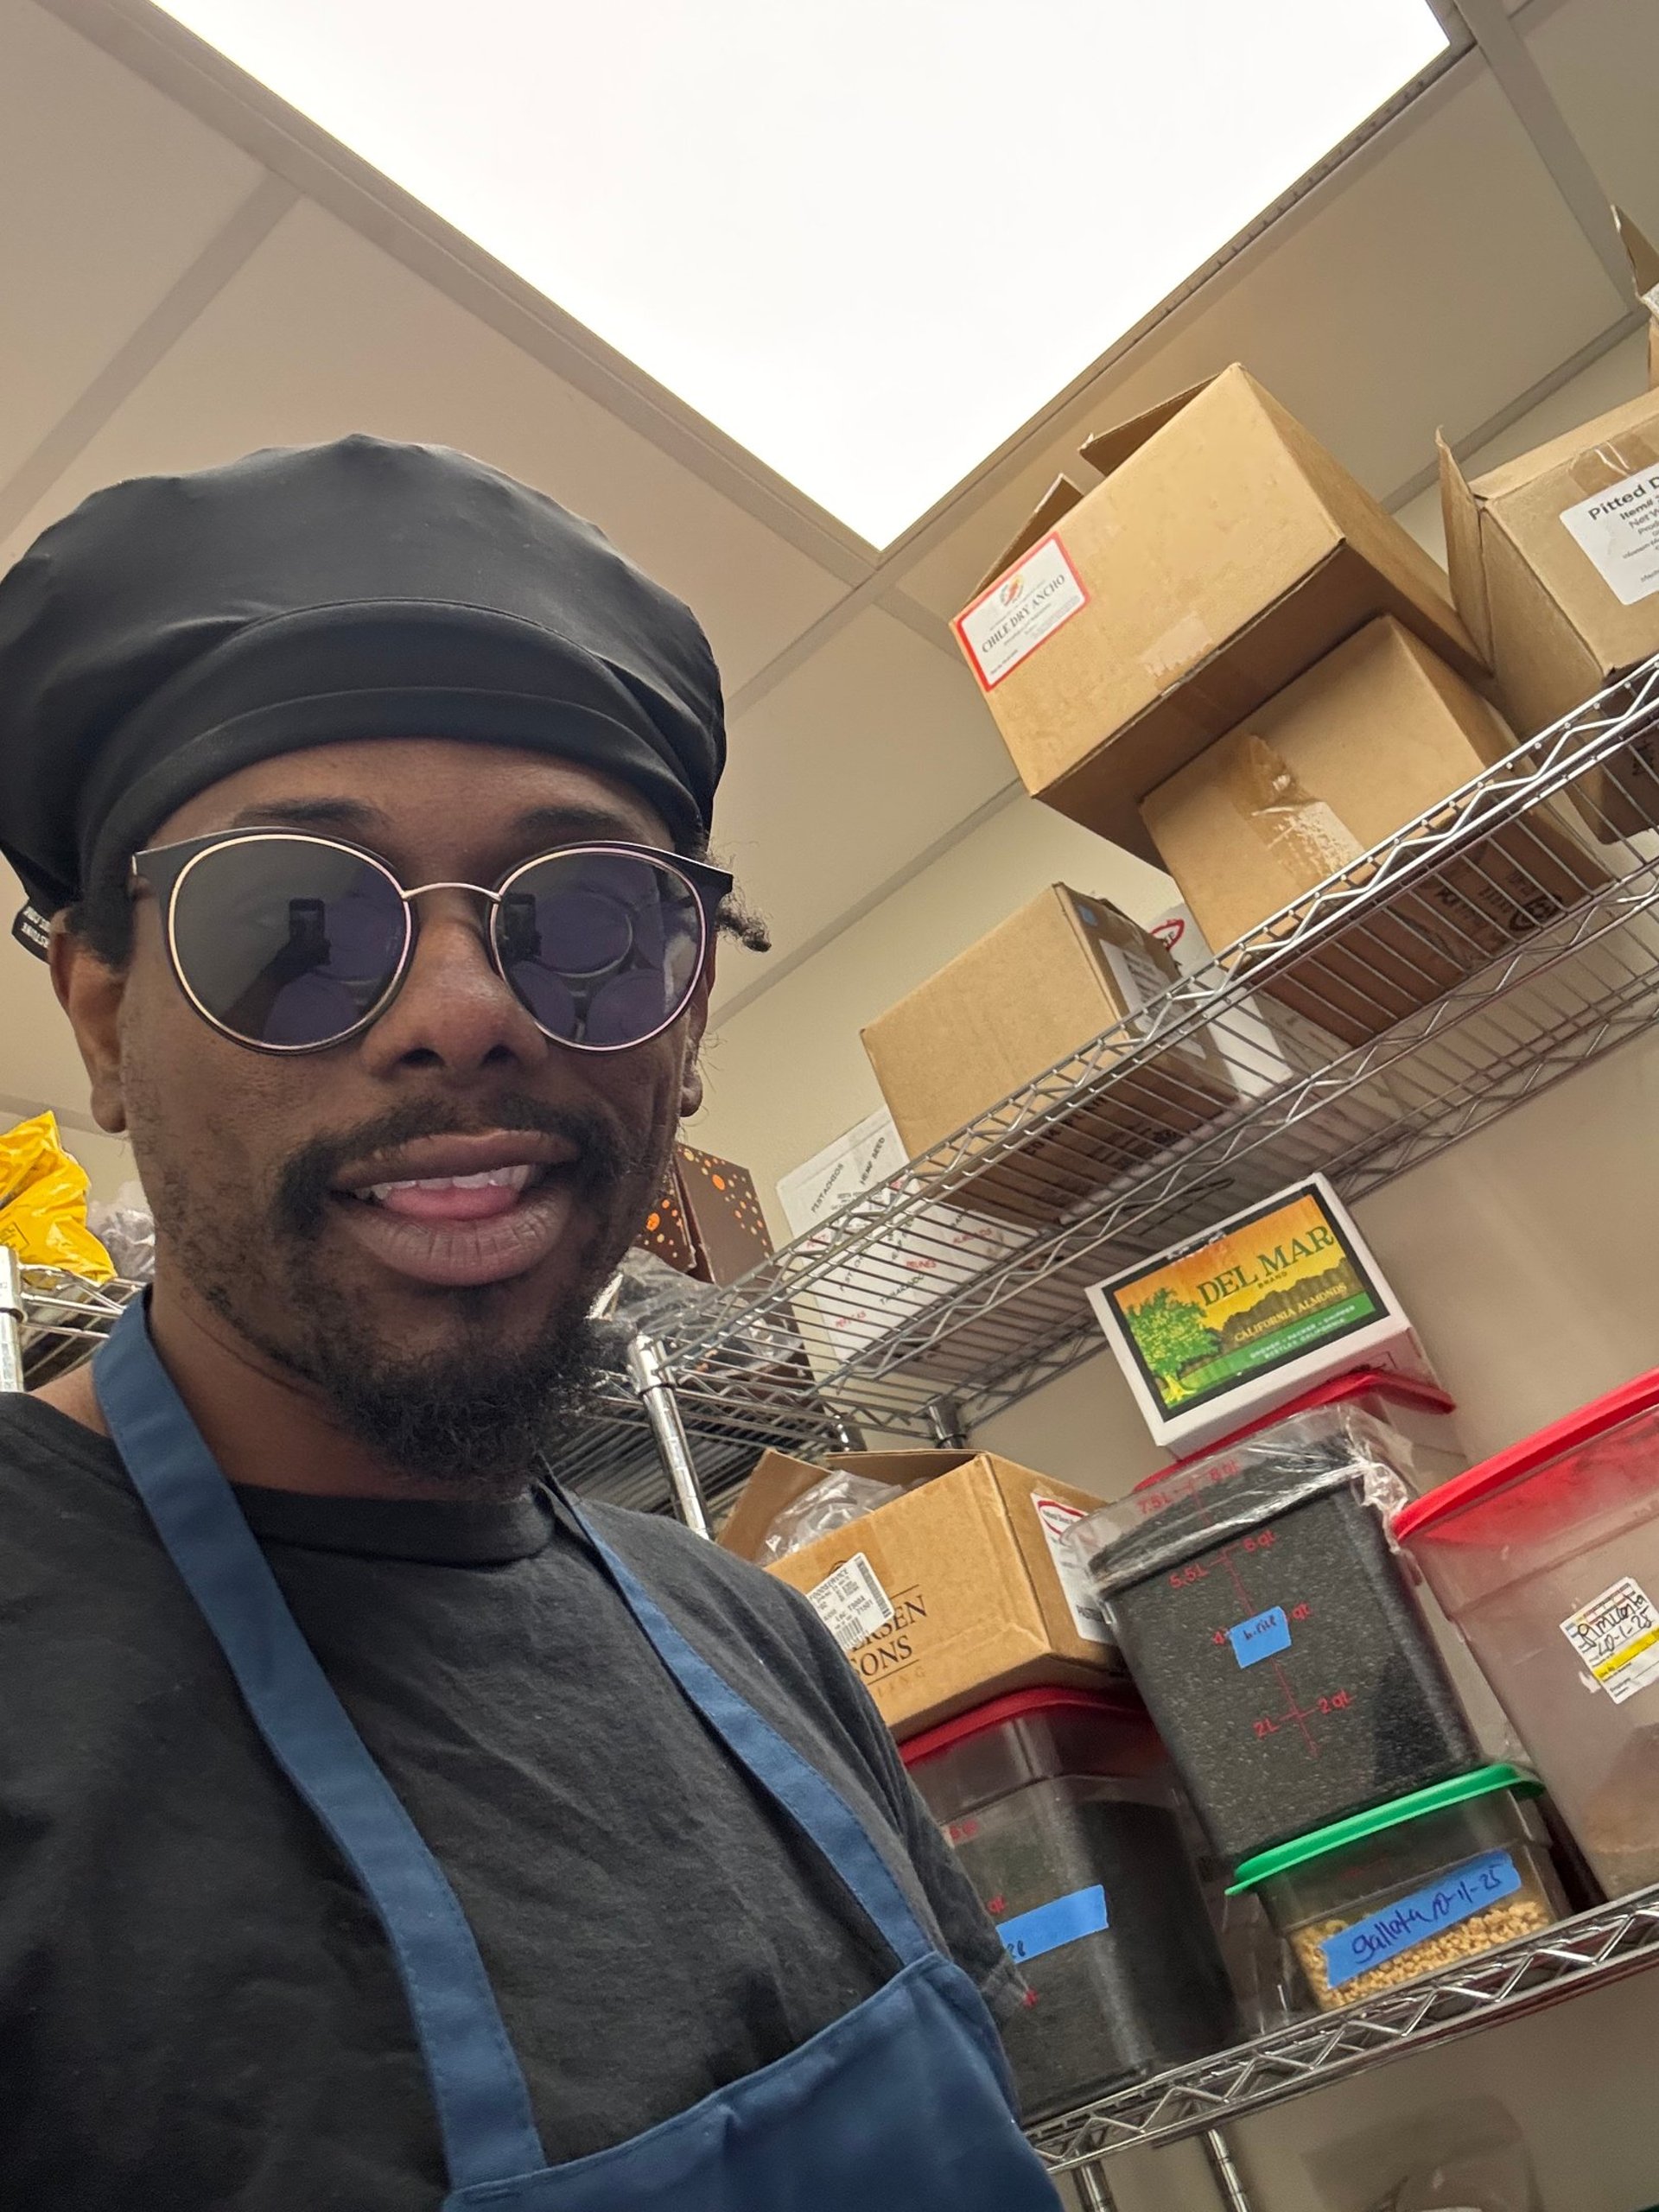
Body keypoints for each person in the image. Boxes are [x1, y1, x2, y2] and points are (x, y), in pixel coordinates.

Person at [0, 438, 1063, 2211]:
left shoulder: (768, 1644)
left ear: (690, 1006)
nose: (468, 1011)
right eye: (292, 923)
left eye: (583, 917)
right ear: (103, 1019)